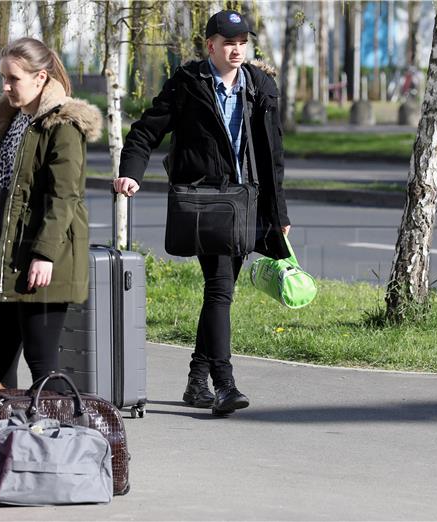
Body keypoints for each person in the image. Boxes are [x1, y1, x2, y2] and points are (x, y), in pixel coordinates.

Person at [113, 10, 291, 415]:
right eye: (229, 42)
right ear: (210, 44)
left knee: (219, 294)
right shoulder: (189, 83)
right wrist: (130, 173)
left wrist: (278, 213)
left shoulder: (260, 87)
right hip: (205, 202)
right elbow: (146, 130)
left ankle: (197, 380)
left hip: (248, 204)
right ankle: (224, 384)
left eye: (243, 41)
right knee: (220, 288)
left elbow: (273, 156)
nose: (237, 49)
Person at [0, 37, 102, 390]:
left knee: (43, 362)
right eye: (3, 77)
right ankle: (3, 439)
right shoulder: (8, 119)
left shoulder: (62, 125)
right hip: (9, 257)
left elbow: (64, 196)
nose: (5, 86)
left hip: (43, 259)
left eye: (13, 79)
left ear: (41, 78)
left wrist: (44, 254)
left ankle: (67, 434)